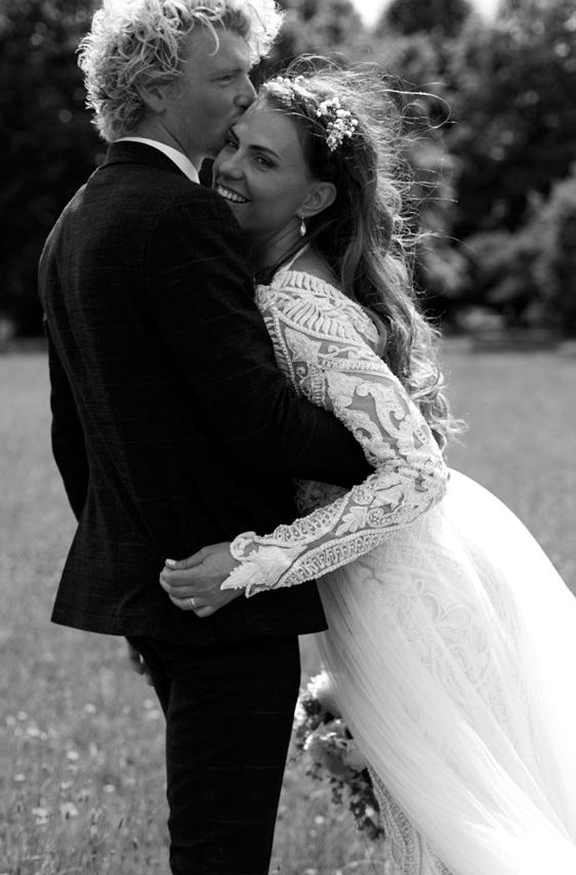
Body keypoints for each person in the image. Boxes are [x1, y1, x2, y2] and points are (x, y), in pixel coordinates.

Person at [159, 66, 576, 874]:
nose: (230, 164)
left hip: (404, 590)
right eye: (234, 142)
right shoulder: (290, 282)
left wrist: (254, 561)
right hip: (413, 570)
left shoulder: (299, 308)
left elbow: (416, 473)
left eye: (264, 160)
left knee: (473, 831)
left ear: (314, 201)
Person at [37, 3, 373, 872]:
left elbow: (74, 441)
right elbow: (259, 419)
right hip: (226, 596)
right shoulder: (177, 217)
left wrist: (142, 594)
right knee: (220, 853)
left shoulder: (73, 222)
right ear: (153, 89)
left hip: (165, 595)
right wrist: (377, 440)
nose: (247, 94)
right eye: (225, 77)